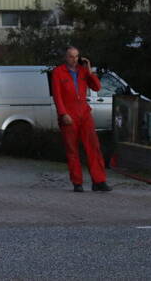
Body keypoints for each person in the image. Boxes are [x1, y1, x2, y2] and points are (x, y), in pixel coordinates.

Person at [51, 46, 111, 192]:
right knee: (72, 149)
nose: (74, 59)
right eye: (71, 56)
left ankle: (99, 181)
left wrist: (90, 71)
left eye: (77, 56)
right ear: (66, 57)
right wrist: (63, 114)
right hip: (69, 115)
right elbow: (57, 95)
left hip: (84, 114)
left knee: (93, 146)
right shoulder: (58, 72)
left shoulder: (83, 71)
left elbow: (96, 87)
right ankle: (77, 182)